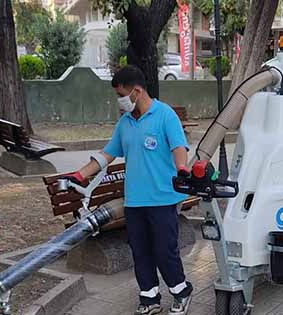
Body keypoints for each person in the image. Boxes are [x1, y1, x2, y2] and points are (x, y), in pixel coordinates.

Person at [65, 65, 194, 315]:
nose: (120, 101)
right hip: (135, 201)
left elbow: (179, 147)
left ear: (136, 91)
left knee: (164, 251)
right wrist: (80, 174)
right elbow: (107, 154)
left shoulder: (165, 115)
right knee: (140, 251)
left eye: (121, 95)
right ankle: (150, 298)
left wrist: (182, 168)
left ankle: (181, 292)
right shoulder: (125, 123)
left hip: (163, 199)